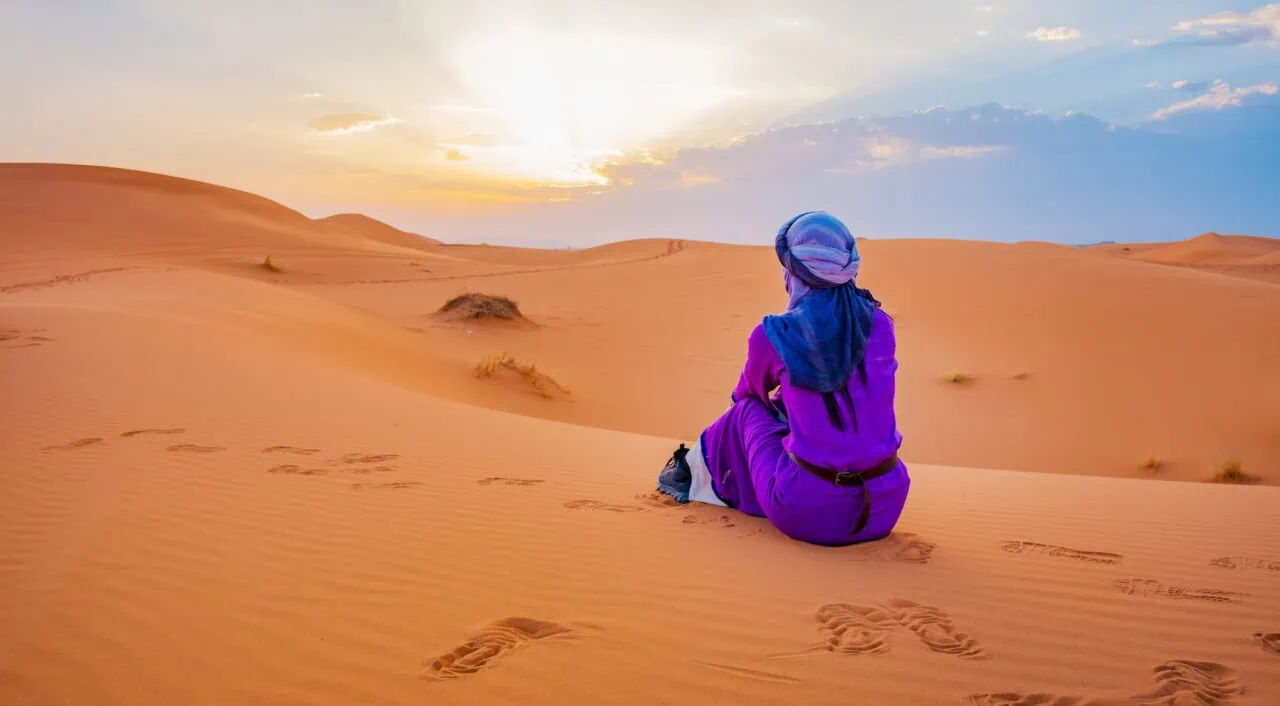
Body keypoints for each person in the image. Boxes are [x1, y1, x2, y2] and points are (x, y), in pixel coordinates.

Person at [657, 211, 910, 546]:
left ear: (793, 270)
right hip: (885, 506)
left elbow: (747, 396)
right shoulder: (880, 323)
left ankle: (690, 473)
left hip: (808, 511)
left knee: (746, 412)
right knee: (789, 413)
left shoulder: (774, 334)